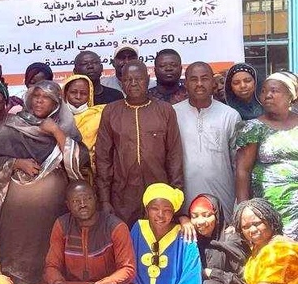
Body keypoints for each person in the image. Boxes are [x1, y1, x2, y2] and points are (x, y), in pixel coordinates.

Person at [0, 80, 87, 284]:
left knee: (49, 259)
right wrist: (16, 162)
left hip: (53, 211)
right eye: (36, 96)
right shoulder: (13, 127)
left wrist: (54, 132)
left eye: (47, 98)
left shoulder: (64, 128)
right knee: (18, 260)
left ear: (56, 104)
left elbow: (79, 165)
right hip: (18, 212)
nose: (40, 101)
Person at [95, 59, 184, 229]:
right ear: (121, 82)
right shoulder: (111, 111)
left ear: (148, 78)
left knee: (158, 243)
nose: (133, 83)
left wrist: (176, 194)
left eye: (139, 79)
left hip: (159, 191)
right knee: (126, 243)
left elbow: (174, 155)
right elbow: (103, 158)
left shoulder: (165, 110)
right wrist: (104, 200)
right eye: (128, 79)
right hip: (122, 195)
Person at [174, 62, 241, 221]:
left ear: (213, 82)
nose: (199, 84)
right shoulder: (173, 113)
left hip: (223, 198)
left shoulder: (230, 115)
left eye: (204, 79)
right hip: (184, 202)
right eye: (193, 79)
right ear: (185, 84)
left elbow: (238, 165)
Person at [234, 72, 298, 239]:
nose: (267, 95)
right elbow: (243, 171)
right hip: (268, 210)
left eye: (274, 91)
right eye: (263, 91)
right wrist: (243, 210)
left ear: (291, 95)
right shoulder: (253, 128)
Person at [187, 194, 248, 284]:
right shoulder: (191, 240)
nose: (200, 222)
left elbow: (244, 281)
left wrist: (211, 273)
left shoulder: (231, 240)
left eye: (206, 215)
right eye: (194, 216)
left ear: (217, 216)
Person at [62, 74, 105, 176]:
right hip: (60, 170)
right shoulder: (55, 116)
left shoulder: (99, 114)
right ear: (65, 93)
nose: (78, 96)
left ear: (90, 95)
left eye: (83, 93)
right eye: (73, 92)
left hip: (90, 171)